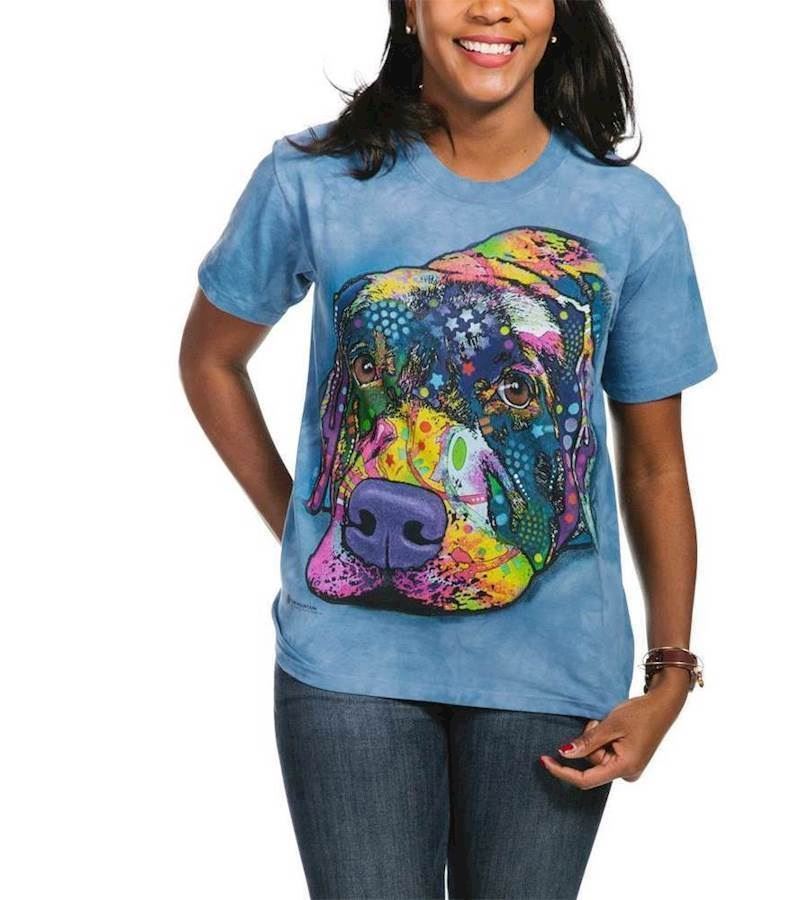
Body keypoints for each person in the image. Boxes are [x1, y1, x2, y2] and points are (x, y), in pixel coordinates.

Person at [179, 1, 717, 896]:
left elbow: (656, 462)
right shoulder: (312, 179)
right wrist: (306, 522)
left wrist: (670, 674)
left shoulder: (631, 215)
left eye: (515, 390)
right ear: (410, 8)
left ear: (557, 14)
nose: (490, 7)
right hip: (349, 667)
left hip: (551, 670)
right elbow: (210, 361)